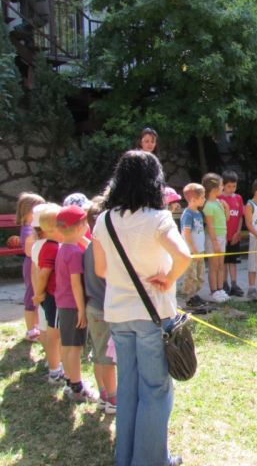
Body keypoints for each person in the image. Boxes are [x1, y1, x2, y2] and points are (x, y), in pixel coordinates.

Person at [92, 150, 190, 466]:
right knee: (155, 390)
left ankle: (127, 457)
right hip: (153, 315)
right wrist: (168, 278)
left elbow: (101, 270)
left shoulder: (103, 220)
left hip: (118, 314)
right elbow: (183, 256)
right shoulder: (158, 218)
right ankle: (150, 460)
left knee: (129, 389)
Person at [55, 205, 98, 402]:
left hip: (63, 304)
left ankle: (69, 379)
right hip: (74, 306)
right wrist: (81, 309)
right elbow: (75, 283)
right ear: (81, 226)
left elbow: (88, 245)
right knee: (75, 347)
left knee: (67, 345)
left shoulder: (64, 247)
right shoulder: (74, 254)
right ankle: (77, 387)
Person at [84, 197, 117, 415]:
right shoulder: (105, 249)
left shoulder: (88, 247)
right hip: (105, 308)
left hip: (92, 307)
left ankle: (103, 395)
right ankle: (113, 399)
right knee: (108, 359)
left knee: (98, 354)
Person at [32, 203, 65, 386]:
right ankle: (55, 371)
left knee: (54, 333)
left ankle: (57, 368)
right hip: (54, 296)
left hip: (50, 295)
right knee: (55, 335)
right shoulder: (52, 247)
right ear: (53, 228)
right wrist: (38, 294)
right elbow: (44, 273)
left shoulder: (46, 245)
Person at [16, 191, 45, 341]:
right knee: (31, 295)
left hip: (34, 263)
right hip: (31, 265)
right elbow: (29, 252)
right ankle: (30, 329)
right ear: (29, 211)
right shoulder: (29, 231)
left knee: (36, 293)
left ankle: (36, 326)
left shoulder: (30, 228)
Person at [202, 173, 230, 303]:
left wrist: (226, 208)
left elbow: (226, 219)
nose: (223, 187)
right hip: (214, 238)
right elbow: (210, 226)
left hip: (222, 236)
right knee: (213, 266)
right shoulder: (208, 205)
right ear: (214, 189)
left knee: (220, 265)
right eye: (221, 185)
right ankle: (213, 291)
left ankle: (220, 289)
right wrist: (214, 242)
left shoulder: (219, 202)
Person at [180, 183, 207, 309]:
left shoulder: (198, 213)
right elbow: (186, 234)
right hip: (191, 252)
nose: (204, 199)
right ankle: (189, 297)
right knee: (191, 276)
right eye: (202, 197)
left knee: (199, 275)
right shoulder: (188, 214)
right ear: (193, 199)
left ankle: (195, 295)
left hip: (199, 250)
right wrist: (194, 250)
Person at [219, 171, 245, 297]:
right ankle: (224, 284)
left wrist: (238, 232)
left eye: (234, 186)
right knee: (224, 262)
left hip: (235, 237)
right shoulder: (219, 199)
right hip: (223, 237)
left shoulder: (238, 198)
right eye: (229, 186)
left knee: (233, 262)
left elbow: (240, 217)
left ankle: (234, 284)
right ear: (223, 185)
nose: (231, 189)